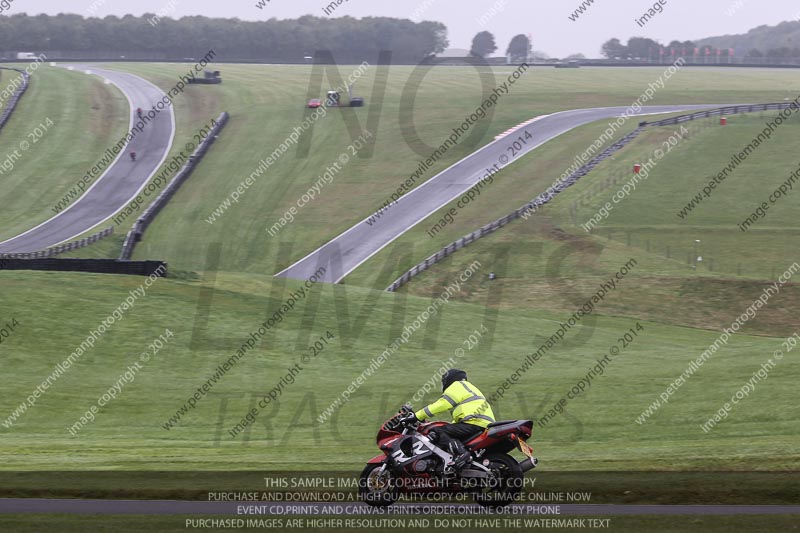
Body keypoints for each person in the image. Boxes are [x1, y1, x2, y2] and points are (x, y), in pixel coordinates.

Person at [404, 369, 495, 470]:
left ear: (449, 379)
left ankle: (462, 454)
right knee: (447, 431)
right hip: (481, 423)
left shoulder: (456, 386)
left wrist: (417, 416)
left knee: (438, 431)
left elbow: (442, 404)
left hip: (474, 422)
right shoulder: (469, 388)